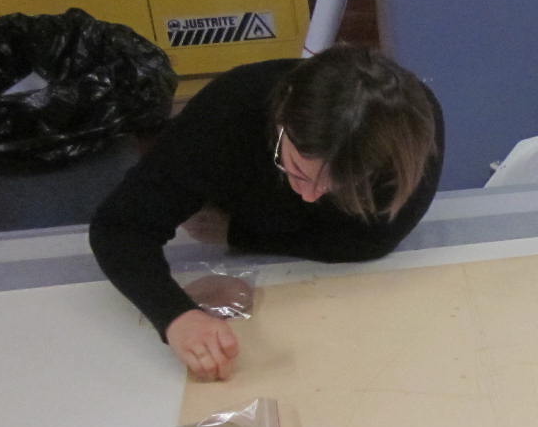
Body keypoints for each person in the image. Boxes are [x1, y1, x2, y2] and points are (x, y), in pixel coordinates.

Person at [90, 45, 444, 382]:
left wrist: (238, 235)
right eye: (296, 170)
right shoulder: (227, 112)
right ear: (281, 124)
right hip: (229, 230)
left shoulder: (410, 136)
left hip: (281, 263)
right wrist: (176, 315)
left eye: (339, 184)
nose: (309, 196)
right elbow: (120, 227)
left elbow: (373, 240)